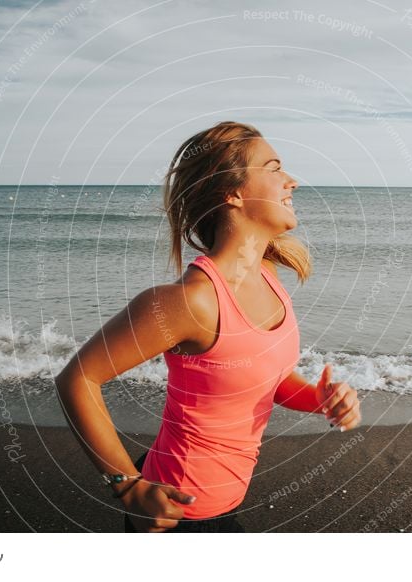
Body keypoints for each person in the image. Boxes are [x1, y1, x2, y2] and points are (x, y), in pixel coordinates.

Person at [54, 121, 361, 533]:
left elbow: (263, 377)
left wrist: (319, 399)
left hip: (226, 500)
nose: (292, 181)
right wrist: (127, 487)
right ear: (232, 193)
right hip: (180, 512)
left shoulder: (268, 275)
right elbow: (78, 377)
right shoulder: (189, 301)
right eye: (273, 168)